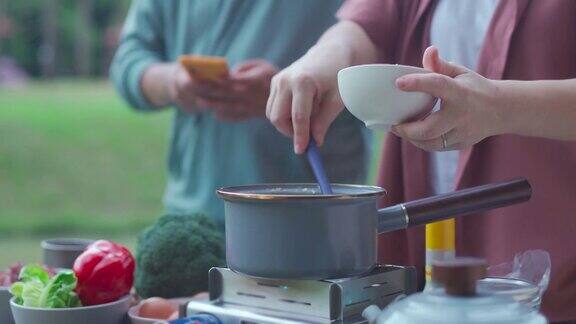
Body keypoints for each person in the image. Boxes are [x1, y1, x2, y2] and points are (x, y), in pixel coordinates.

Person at [266, 0, 576, 321]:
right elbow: (366, 26)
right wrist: (327, 56)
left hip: (551, 289)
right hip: (418, 284)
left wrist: (501, 106)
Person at [111, 0, 369, 296]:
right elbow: (128, 62)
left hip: (310, 229)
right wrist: (173, 82)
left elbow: (380, 61)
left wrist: (289, 95)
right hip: (191, 221)